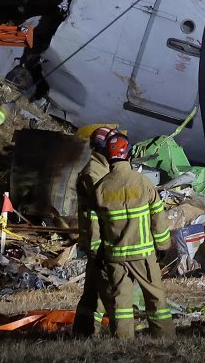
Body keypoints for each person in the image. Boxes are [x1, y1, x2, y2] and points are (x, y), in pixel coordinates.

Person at [91, 134, 174, 338]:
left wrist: (96, 254)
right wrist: (163, 246)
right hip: (143, 255)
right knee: (156, 299)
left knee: (121, 302)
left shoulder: (100, 188)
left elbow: (95, 227)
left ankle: (123, 341)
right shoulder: (143, 182)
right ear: (127, 155)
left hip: (115, 257)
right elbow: (158, 218)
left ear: (108, 158)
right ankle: (164, 338)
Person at [74, 126, 117, 336]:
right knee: (111, 287)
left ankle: (83, 331)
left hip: (99, 237)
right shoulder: (94, 172)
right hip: (99, 239)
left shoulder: (102, 168)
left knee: (93, 289)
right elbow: (108, 203)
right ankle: (126, 331)